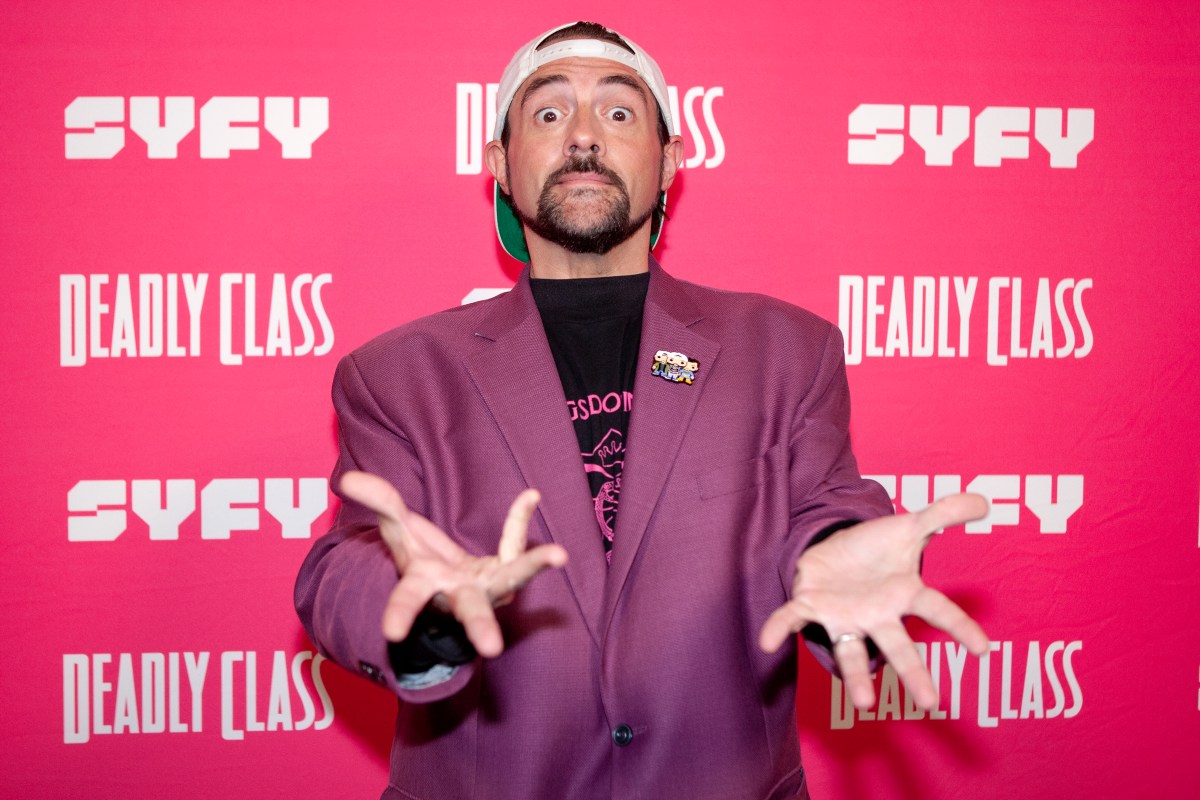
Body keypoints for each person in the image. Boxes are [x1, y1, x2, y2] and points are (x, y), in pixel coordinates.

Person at [295, 21, 989, 800]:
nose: (584, 136)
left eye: (619, 113)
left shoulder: (788, 349)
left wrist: (833, 555)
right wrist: (419, 609)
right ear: (499, 163)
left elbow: (827, 510)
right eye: (549, 114)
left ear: (670, 161)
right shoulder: (397, 372)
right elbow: (345, 563)